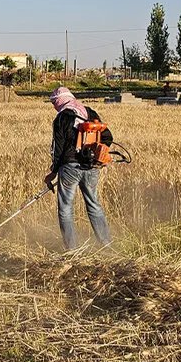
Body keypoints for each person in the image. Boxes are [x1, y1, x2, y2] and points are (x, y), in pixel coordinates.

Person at [43, 86, 112, 250]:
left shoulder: (62, 117)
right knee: (94, 204)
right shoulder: (90, 113)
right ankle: (106, 245)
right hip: (91, 167)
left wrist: (53, 172)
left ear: (60, 101)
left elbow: (58, 150)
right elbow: (108, 137)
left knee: (66, 208)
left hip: (69, 168)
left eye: (54, 102)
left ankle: (72, 250)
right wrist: (97, 154)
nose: (54, 105)